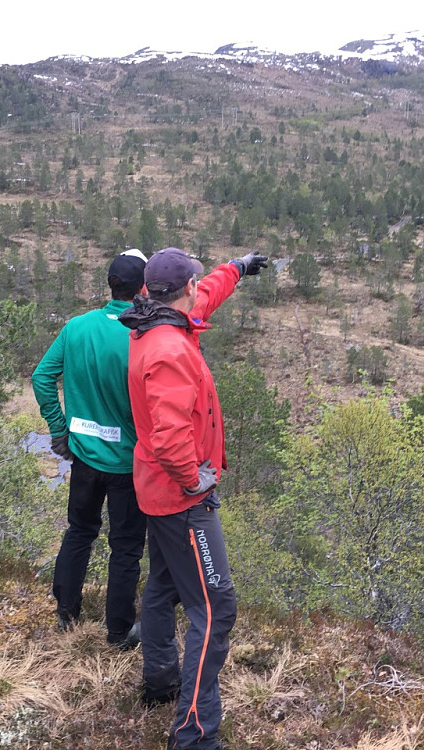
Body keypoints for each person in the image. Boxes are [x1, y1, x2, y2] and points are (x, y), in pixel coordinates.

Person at [119, 247, 268, 750]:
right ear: (180, 290)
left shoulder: (157, 320)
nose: (197, 289)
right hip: (181, 497)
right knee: (216, 607)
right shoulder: (169, 351)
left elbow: (206, 295)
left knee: (163, 584)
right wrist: (192, 481)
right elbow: (168, 435)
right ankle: (195, 733)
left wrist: (238, 270)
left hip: (157, 492)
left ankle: (160, 680)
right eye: (194, 283)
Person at [31, 249, 148, 648]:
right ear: (143, 288)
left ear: (110, 284)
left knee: (79, 531)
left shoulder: (76, 327)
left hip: (83, 456)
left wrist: (59, 430)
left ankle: (66, 613)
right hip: (128, 465)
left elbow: (42, 377)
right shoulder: (143, 336)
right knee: (126, 547)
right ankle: (118, 632)